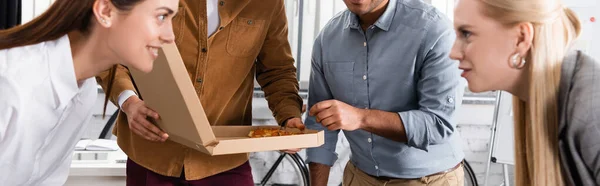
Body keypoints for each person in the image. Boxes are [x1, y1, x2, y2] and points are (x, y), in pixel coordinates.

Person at [96, 0, 305, 185]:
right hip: (152, 153)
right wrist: (129, 102)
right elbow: (114, 48)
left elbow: (277, 71)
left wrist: (289, 118)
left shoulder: (269, 4)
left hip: (224, 160)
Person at [0, 0, 178, 185]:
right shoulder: (10, 83)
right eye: (161, 17)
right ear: (106, 11)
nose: (170, 36)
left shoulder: (84, 93)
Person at [305, 0, 465, 185]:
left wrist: (361, 118)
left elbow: (438, 123)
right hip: (359, 177)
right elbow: (319, 124)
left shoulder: (435, 29)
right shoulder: (327, 39)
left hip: (429, 179)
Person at [449, 0, 600, 185]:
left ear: (521, 38)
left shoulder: (590, 105)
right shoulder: (539, 99)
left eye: (466, 34)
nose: (453, 52)